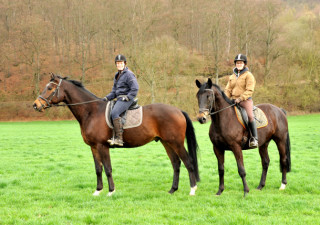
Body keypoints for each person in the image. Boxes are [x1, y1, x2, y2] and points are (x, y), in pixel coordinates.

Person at [104, 54, 139, 146]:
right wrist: (106, 98)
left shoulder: (129, 74)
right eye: (117, 63)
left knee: (114, 113)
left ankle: (119, 139)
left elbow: (135, 88)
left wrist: (128, 97)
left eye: (121, 63)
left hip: (127, 99)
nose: (119, 64)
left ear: (125, 63)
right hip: (119, 98)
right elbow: (114, 92)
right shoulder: (117, 75)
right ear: (116, 64)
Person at [224, 54, 258, 148]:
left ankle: (254, 138)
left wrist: (240, 98)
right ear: (235, 64)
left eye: (241, 63)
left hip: (245, 100)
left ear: (244, 64)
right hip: (233, 101)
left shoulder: (249, 75)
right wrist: (225, 99)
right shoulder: (232, 76)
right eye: (237, 63)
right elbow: (228, 90)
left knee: (250, 116)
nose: (239, 64)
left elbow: (250, 90)